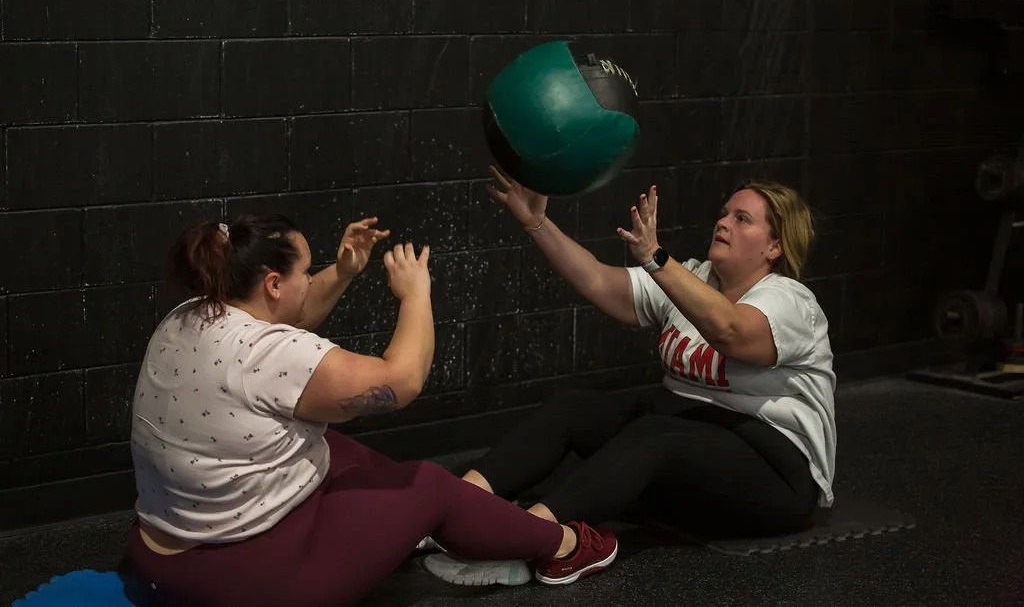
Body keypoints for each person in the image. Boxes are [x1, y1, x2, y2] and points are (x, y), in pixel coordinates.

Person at [120, 213, 618, 607]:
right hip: (240, 586)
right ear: (273, 283)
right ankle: (565, 549)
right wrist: (415, 295)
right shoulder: (267, 353)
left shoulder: (188, 316)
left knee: (336, 447)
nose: (310, 279)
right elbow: (402, 383)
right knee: (428, 485)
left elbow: (289, 318)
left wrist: (343, 270)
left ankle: (469, 528)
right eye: (305, 272)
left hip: (156, 560)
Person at [423, 166, 836, 581]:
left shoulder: (791, 303)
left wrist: (657, 258)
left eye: (741, 219)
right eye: (724, 213)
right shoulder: (693, 279)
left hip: (774, 473)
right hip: (691, 451)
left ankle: (522, 538)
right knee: (575, 408)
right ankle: (456, 509)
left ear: (775, 247)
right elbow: (599, 281)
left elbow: (730, 330)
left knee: (656, 432)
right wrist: (537, 223)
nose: (723, 222)